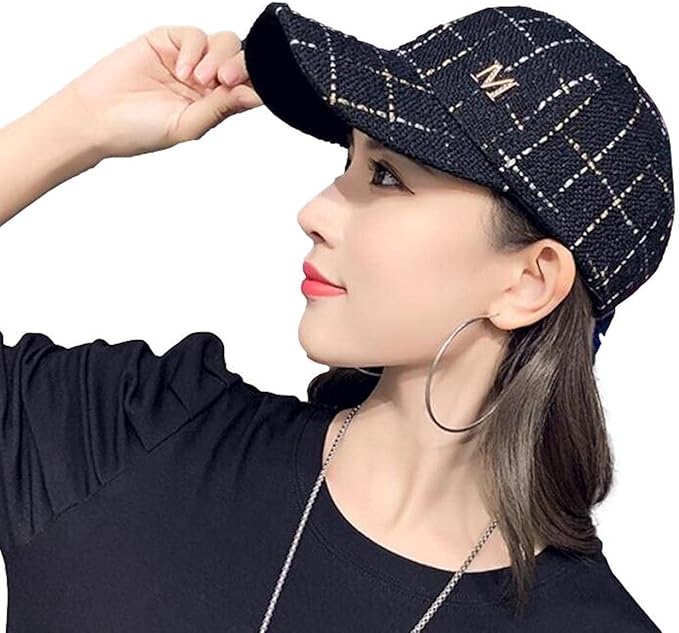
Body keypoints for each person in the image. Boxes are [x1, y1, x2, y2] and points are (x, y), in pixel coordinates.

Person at [0, 3, 671, 632]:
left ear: (529, 282)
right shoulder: (138, 432)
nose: (313, 211)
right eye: (347, 160)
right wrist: (78, 124)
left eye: (386, 176)